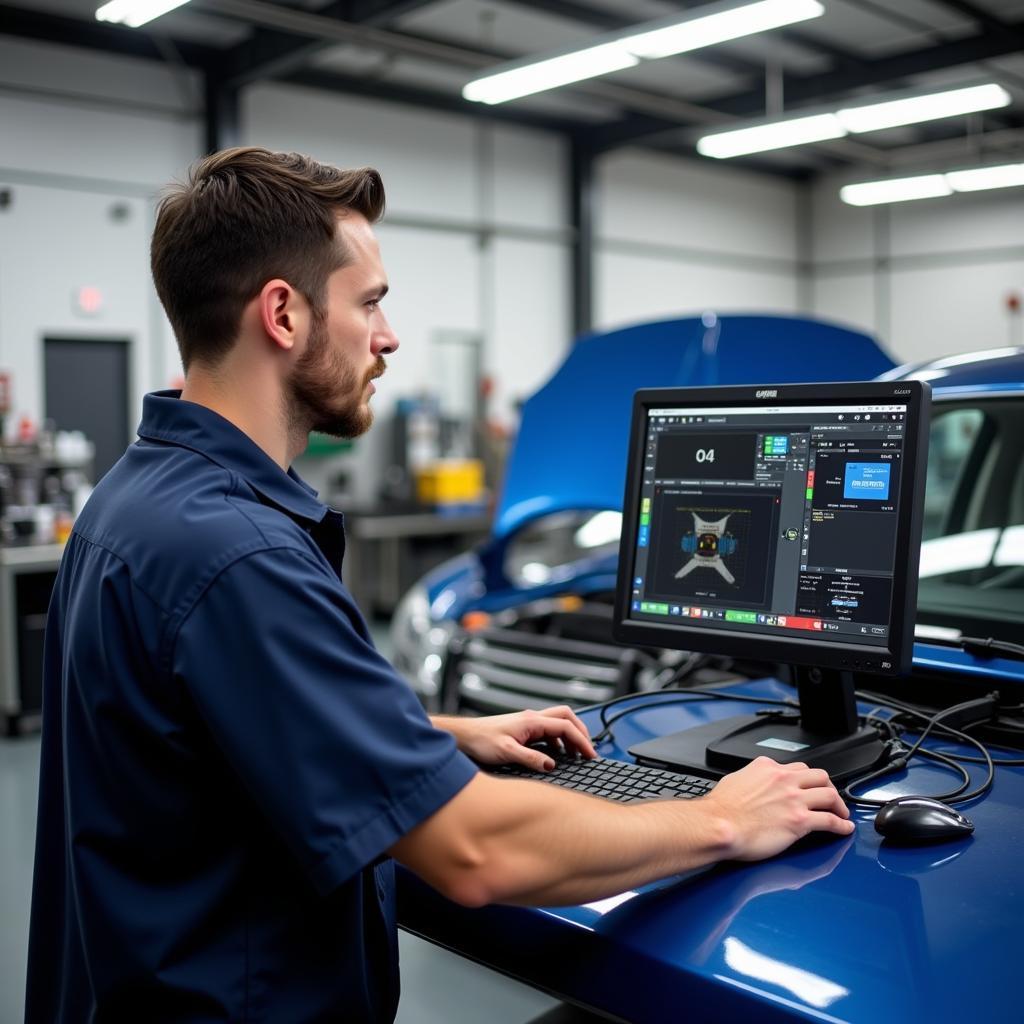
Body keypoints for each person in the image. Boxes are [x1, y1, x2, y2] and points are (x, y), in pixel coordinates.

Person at [26, 147, 854, 1023]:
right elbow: (474, 853)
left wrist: (433, 734)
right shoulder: (239, 554)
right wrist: (722, 818)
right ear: (283, 314)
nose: (387, 337)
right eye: (371, 302)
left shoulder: (137, 496)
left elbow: (202, 722)